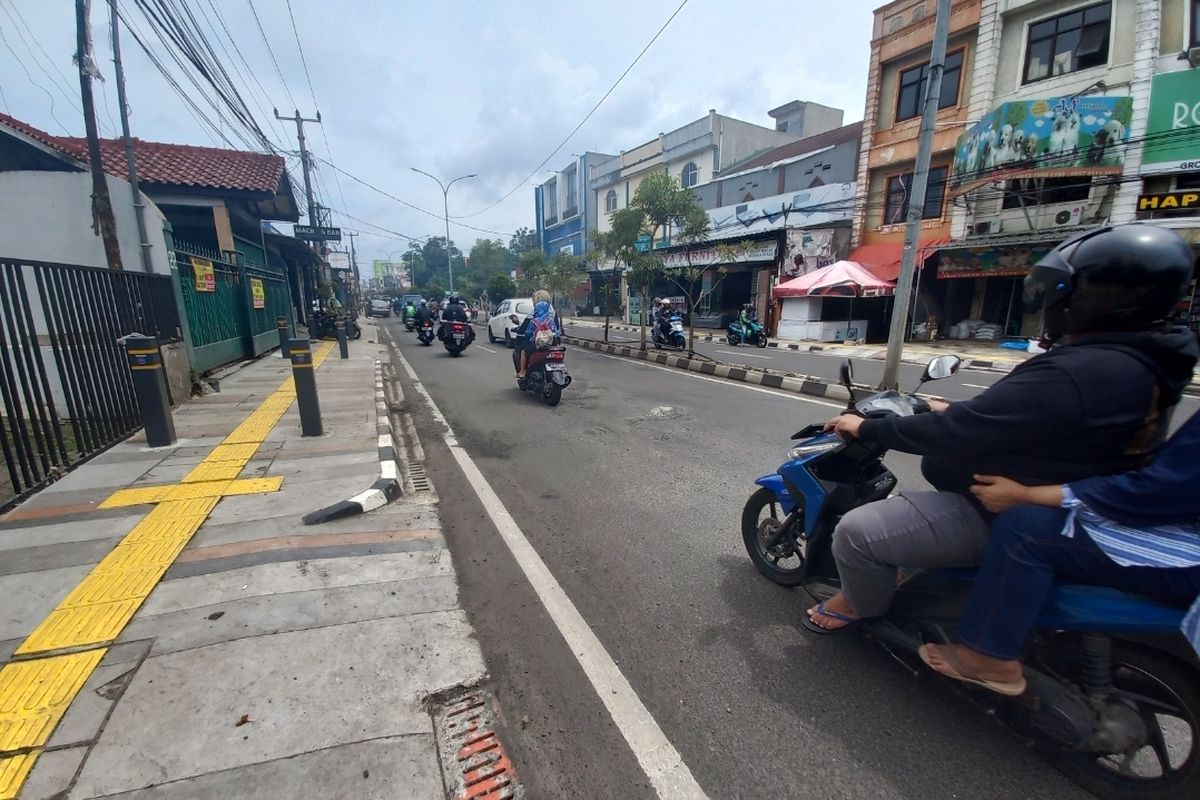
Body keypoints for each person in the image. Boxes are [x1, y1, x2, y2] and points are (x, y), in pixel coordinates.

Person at [804, 224, 1198, 633]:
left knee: (855, 533)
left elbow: (959, 432)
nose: (1053, 299)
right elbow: (1031, 418)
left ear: (1098, 296)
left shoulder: (1085, 369)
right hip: (1057, 498)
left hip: (997, 509)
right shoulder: (1142, 359)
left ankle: (857, 604)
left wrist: (867, 428)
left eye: (1062, 288)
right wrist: (951, 408)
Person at [918, 411, 1200, 696]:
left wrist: (1027, 494)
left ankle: (989, 657)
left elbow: (1153, 491)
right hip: (1177, 521)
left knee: (1023, 527)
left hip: (1186, 550)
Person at [515, 289, 560, 378]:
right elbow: (557, 330)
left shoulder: (533, 316)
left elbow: (526, 331)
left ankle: (523, 371)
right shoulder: (552, 315)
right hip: (552, 342)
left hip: (537, 344)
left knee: (524, 351)